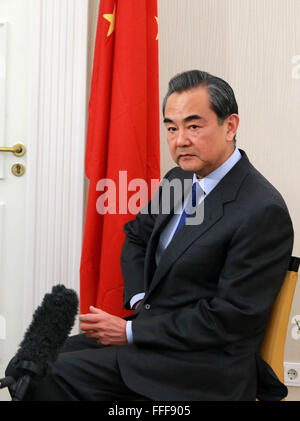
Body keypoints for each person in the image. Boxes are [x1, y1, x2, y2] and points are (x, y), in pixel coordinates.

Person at [6, 70, 294, 401]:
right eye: (171, 128)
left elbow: (230, 320)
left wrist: (130, 330)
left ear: (230, 126)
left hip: (203, 367)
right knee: (25, 367)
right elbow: (137, 237)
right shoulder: (180, 179)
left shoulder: (261, 209)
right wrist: (140, 301)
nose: (180, 140)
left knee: (46, 379)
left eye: (194, 126)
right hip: (153, 340)